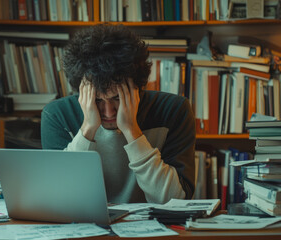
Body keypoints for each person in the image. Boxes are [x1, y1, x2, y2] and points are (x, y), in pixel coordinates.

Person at [41, 24, 195, 204]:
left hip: (153, 227)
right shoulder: (58, 116)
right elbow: (59, 196)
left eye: (117, 98)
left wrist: (132, 131)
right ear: (81, 93)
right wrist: (87, 130)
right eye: (97, 100)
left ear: (138, 88)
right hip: (83, 226)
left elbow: (174, 201)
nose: (108, 112)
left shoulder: (174, 111)